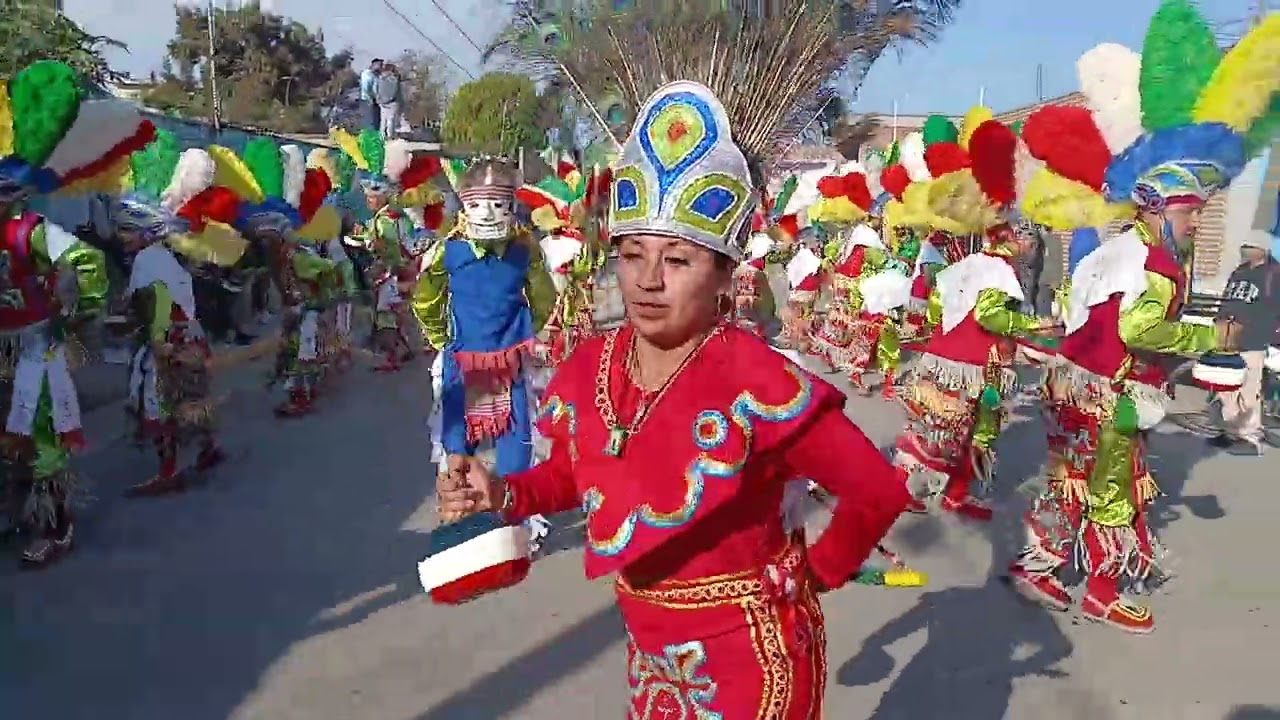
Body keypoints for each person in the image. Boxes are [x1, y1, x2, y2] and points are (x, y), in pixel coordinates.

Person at [437, 78, 910, 716]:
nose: (649, 280)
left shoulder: (759, 380)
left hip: (754, 659)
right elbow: (580, 473)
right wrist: (505, 492)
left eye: (679, 260)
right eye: (633, 256)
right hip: (653, 657)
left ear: (723, 274)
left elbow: (876, 489)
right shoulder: (596, 364)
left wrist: (820, 571)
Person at [1007, 5, 1278, 634]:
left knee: (1069, 482)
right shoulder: (1154, 260)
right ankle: (1102, 591)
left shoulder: (1112, 249)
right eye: (1190, 217)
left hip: (1073, 387)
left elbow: (1078, 311)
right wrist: (1214, 335)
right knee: (1113, 491)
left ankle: (1040, 566)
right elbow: (1140, 331)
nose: (1194, 226)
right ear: (1161, 211)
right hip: (1112, 398)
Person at [0, 59, 153, 567]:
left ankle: (55, 524)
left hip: (34, 352)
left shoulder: (33, 230)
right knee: (12, 438)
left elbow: (85, 261)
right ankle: (19, 509)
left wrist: (73, 314)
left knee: (41, 437)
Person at [117, 134, 236, 495]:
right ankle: (209, 448)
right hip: (189, 340)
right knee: (192, 400)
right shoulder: (163, 257)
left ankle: (168, 469)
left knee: (159, 406)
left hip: (169, 347)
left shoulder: (147, 261)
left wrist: (155, 345)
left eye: (127, 229)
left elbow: (157, 306)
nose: (122, 237)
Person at [329, 128, 439, 372]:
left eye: (374, 192)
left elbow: (395, 247)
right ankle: (402, 349)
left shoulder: (391, 218)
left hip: (393, 274)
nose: (369, 196)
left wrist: (372, 244)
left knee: (386, 317)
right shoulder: (383, 216)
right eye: (366, 190)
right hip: (389, 274)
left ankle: (392, 357)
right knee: (387, 316)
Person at [1211, 229, 1280, 455]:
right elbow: (1227, 299)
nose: (1245, 250)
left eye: (1250, 246)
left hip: (1254, 338)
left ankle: (1250, 435)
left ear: (1262, 248)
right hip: (1228, 337)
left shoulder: (1273, 273)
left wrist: (1271, 333)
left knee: (1250, 388)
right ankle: (1231, 430)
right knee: (1225, 386)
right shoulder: (1239, 271)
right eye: (1244, 246)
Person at [375, 64, 402, 140]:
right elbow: (395, 91)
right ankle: (390, 135)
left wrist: (379, 99)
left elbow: (376, 89)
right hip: (392, 102)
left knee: (383, 119)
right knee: (391, 119)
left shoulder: (380, 78)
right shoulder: (394, 79)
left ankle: (382, 135)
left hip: (382, 102)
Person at [360, 59, 384, 131]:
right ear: (374, 65)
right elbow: (366, 88)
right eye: (380, 65)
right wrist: (371, 99)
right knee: (370, 120)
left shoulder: (376, 75)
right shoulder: (367, 74)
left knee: (376, 120)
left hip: (375, 100)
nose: (381, 67)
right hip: (368, 100)